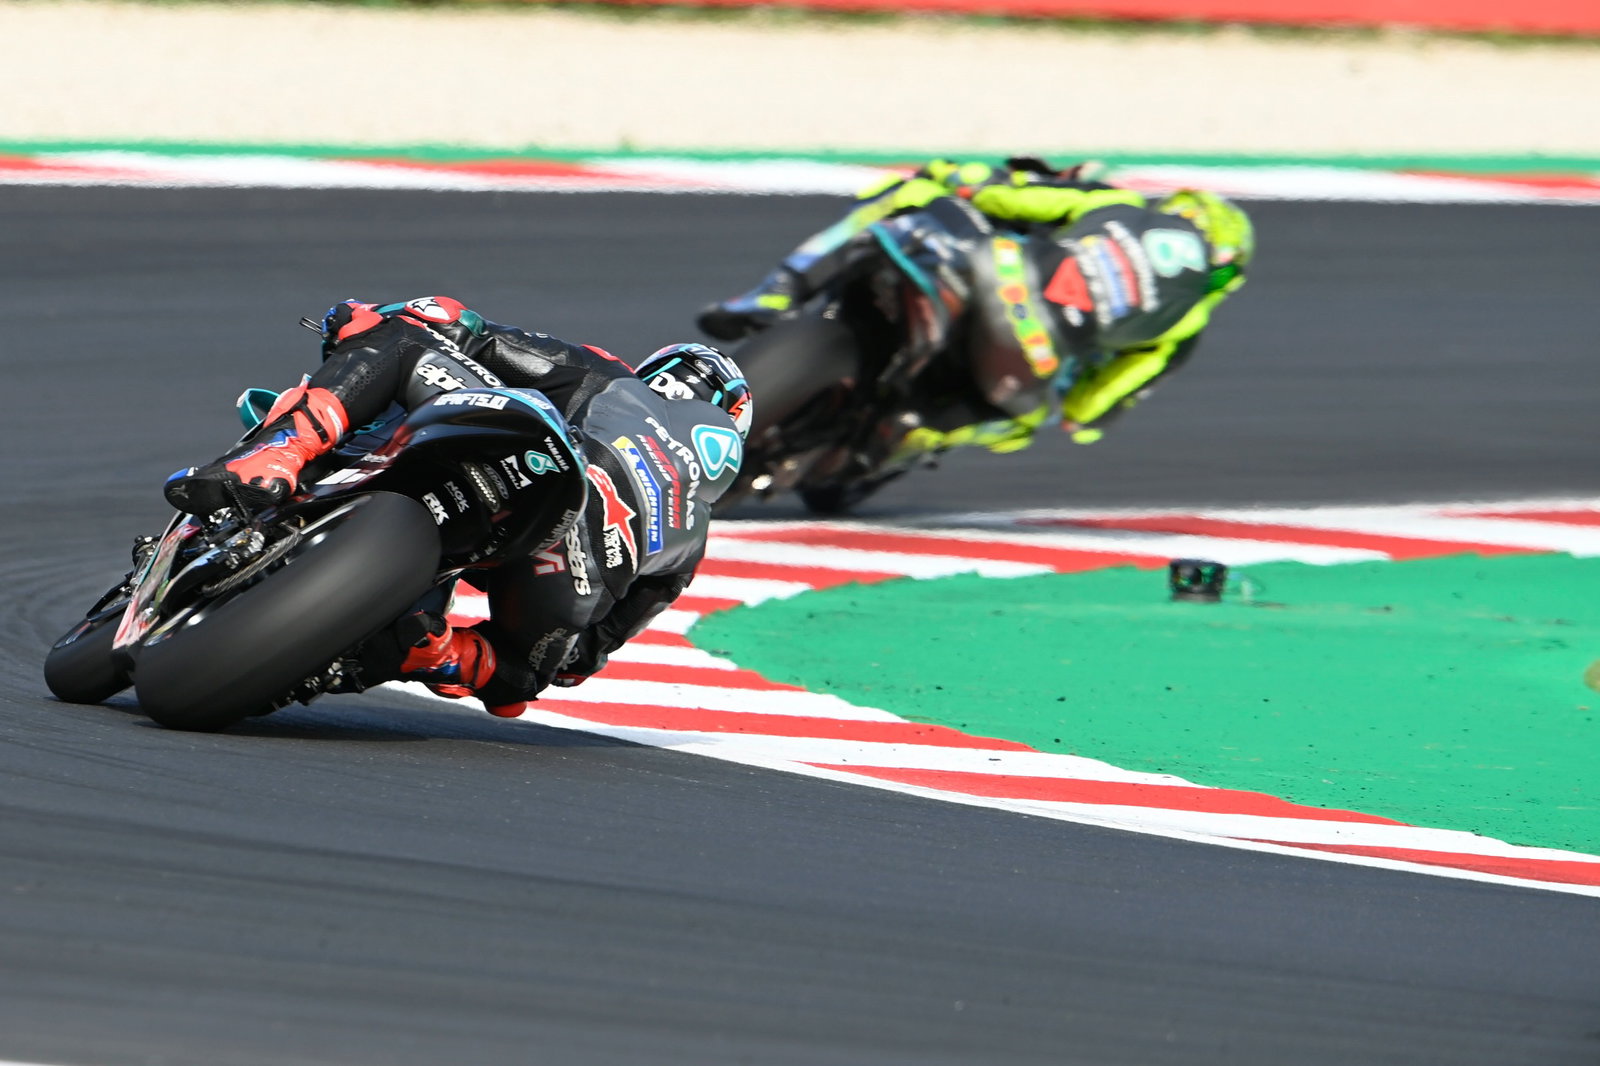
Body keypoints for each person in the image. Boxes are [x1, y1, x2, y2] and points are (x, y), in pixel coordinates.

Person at [163, 297, 752, 717]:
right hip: (571, 562)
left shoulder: (609, 374)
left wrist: (361, 322)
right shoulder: (691, 536)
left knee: (401, 340)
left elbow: (455, 326)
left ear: (659, 375)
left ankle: (277, 456)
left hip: (536, 455)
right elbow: (577, 663)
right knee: (519, 674)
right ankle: (440, 650)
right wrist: (498, 664)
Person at [697, 156, 1253, 456]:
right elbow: (1090, 411)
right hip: (1028, 358)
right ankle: (916, 434)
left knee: (921, 188)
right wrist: (1074, 407)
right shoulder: (1186, 323)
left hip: (995, 270)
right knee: (1025, 423)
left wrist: (971, 180)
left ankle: (780, 286)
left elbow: (998, 196)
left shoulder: (1121, 204)